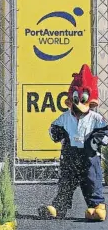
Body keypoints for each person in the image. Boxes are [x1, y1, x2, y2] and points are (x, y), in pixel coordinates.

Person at [39, 65, 108, 221]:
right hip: (70, 154)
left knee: (92, 180)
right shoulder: (65, 117)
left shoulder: (95, 118)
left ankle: (96, 206)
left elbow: (106, 132)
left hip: (89, 156)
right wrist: (59, 134)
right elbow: (53, 129)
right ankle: (59, 207)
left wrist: (95, 140)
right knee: (66, 182)